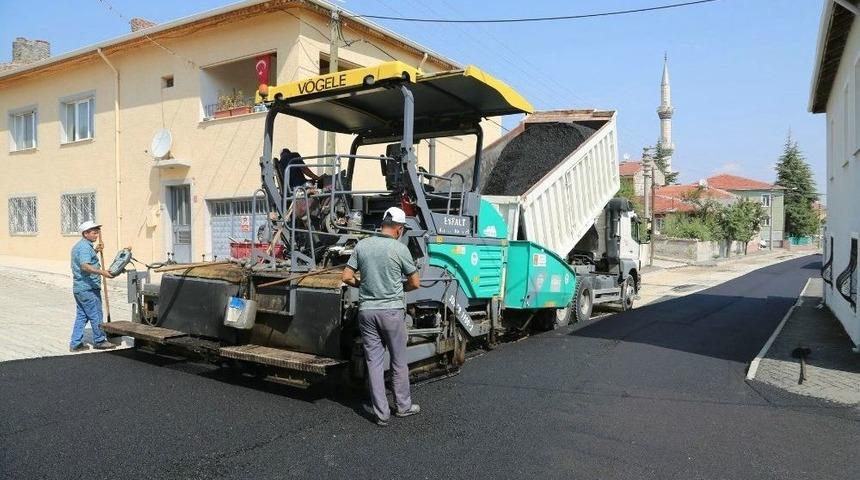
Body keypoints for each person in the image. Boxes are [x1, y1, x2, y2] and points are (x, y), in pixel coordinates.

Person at [342, 207, 421, 427]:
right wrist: (399, 288)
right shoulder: (400, 249)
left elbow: (346, 276)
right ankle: (403, 407)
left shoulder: (362, 245)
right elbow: (415, 283)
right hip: (392, 311)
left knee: (374, 363)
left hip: (367, 312)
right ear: (399, 229)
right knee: (398, 361)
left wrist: (364, 285)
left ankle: (381, 414)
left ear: (382, 225)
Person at [69, 220, 117, 352]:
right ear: (85, 234)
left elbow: (86, 260)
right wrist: (103, 272)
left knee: (82, 316)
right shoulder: (84, 247)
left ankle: (75, 343)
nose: (96, 235)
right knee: (96, 315)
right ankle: (100, 341)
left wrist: (95, 251)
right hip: (88, 288)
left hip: (80, 289)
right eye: (94, 233)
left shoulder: (81, 246)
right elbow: (85, 266)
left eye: (97, 232)